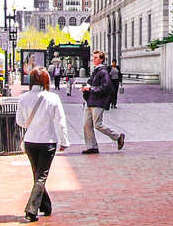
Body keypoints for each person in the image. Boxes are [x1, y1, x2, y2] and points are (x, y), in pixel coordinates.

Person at [15, 67, 69, 222]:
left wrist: (31, 125)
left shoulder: (24, 97)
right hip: (48, 141)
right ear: (46, 80)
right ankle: (31, 209)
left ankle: (45, 206)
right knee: (41, 176)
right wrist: (64, 141)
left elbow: (20, 121)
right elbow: (61, 121)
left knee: (37, 174)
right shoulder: (52, 98)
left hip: (31, 141)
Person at [81, 50, 125, 154]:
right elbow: (91, 84)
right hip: (90, 101)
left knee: (97, 124)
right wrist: (85, 88)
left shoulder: (103, 71)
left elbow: (105, 87)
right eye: (93, 57)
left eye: (96, 57)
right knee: (87, 125)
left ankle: (118, 136)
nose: (94, 59)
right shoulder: (95, 71)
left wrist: (90, 89)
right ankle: (92, 146)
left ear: (101, 59)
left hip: (98, 101)